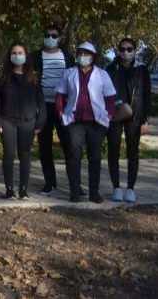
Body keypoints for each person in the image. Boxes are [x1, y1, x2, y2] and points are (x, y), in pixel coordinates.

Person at [55, 41, 117, 203]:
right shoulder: (68, 73)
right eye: (80, 53)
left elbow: (111, 98)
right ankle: (75, 192)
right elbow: (60, 96)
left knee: (95, 158)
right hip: (75, 121)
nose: (83, 57)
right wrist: (62, 115)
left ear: (93, 57)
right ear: (76, 56)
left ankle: (94, 193)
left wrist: (108, 116)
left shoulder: (102, 74)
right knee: (74, 156)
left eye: (87, 54)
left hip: (96, 123)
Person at [106, 37, 152, 203]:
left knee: (133, 152)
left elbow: (147, 96)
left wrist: (145, 120)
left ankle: (130, 188)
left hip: (135, 116)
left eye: (129, 49)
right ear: (118, 51)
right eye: (123, 49)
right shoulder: (111, 68)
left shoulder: (141, 70)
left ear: (134, 51)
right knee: (113, 150)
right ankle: (116, 187)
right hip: (115, 114)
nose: (126, 52)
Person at [0, 44, 43, 199]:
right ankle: (9, 189)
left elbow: (40, 101)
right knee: (8, 154)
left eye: (20, 53)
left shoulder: (33, 77)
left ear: (25, 55)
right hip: (7, 121)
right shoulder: (3, 76)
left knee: (25, 155)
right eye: (14, 53)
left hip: (28, 122)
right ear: (9, 56)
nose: (17, 55)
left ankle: (23, 190)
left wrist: (40, 122)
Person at [33, 23, 74, 195]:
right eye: (47, 35)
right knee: (44, 146)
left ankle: (75, 183)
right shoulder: (35, 56)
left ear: (60, 38)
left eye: (54, 36)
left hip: (63, 107)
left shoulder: (67, 56)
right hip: (43, 107)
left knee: (70, 146)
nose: (50, 38)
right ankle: (50, 182)